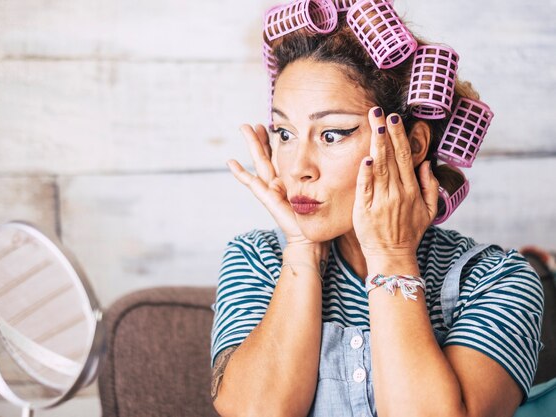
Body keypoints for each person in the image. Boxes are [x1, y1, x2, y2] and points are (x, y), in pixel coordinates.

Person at [209, 2, 544, 416]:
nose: (298, 169)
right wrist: (300, 248)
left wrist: (393, 257)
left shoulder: (495, 279)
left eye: (332, 134)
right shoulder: (255, 259)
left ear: (413, 144)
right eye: (284, 132)